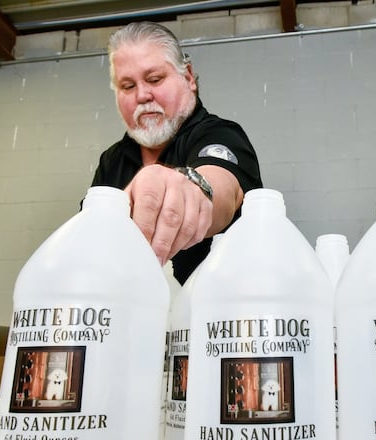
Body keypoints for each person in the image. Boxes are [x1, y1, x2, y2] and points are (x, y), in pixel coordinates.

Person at [91, 21, 262, 283]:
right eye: (127, 86)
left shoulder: (221, 134)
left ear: (188, 77)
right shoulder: (111, 160)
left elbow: (223, 190)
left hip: (213, 315)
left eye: (155, 79)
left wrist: (191, 188)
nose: (142, 95)